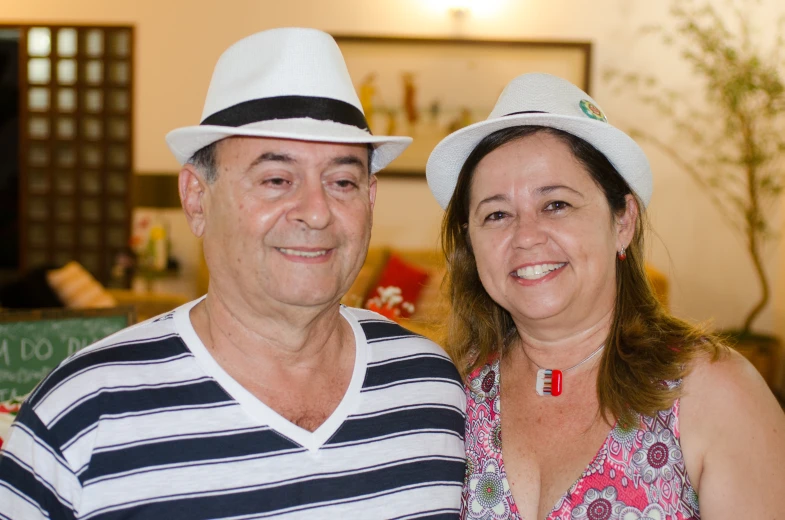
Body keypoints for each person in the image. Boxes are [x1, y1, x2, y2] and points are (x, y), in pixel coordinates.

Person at [0, 28, 466, 518]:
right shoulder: (86, 410)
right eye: (276, 179)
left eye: (342, 180)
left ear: (370, 199)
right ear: (197, 199)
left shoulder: (431, 389)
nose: (316, 211)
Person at [425, 73, 785, 519]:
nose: (526, 237)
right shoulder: (452, 395)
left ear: (623, 222)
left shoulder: (712, 393)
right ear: (471, 244)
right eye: (497, 214)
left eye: (556, 204)